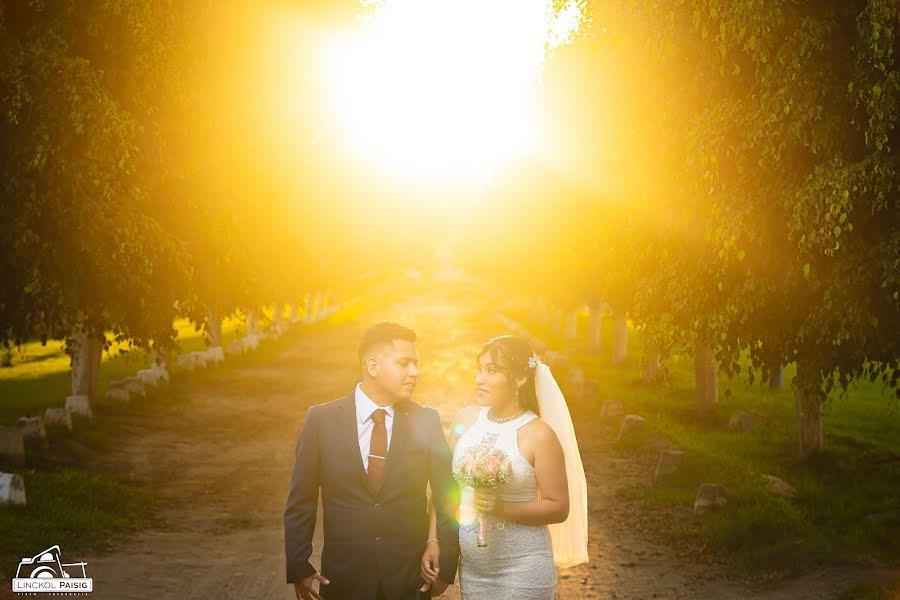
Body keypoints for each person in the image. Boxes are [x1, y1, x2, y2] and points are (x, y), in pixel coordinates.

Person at [285, 322, 460, 600]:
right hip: (344, 578)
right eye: (404, 363)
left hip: (409, 579)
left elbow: (448, 494)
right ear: (373, 366)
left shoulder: (426, 421)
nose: (415, 372)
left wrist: (446, 565)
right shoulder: (321, 420)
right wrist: (298, 565)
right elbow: (301, 501)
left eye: (415, 364)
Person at [422, 335, 588, 599]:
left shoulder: (539, 434)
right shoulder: (466, 419)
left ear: (520, 378)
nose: (479, 378)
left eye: (492, 371)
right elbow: (444, 491)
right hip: (475, 571)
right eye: (480, 369)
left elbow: (559, 506)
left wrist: (500, 508)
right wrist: (433, 540)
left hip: (523, 567)